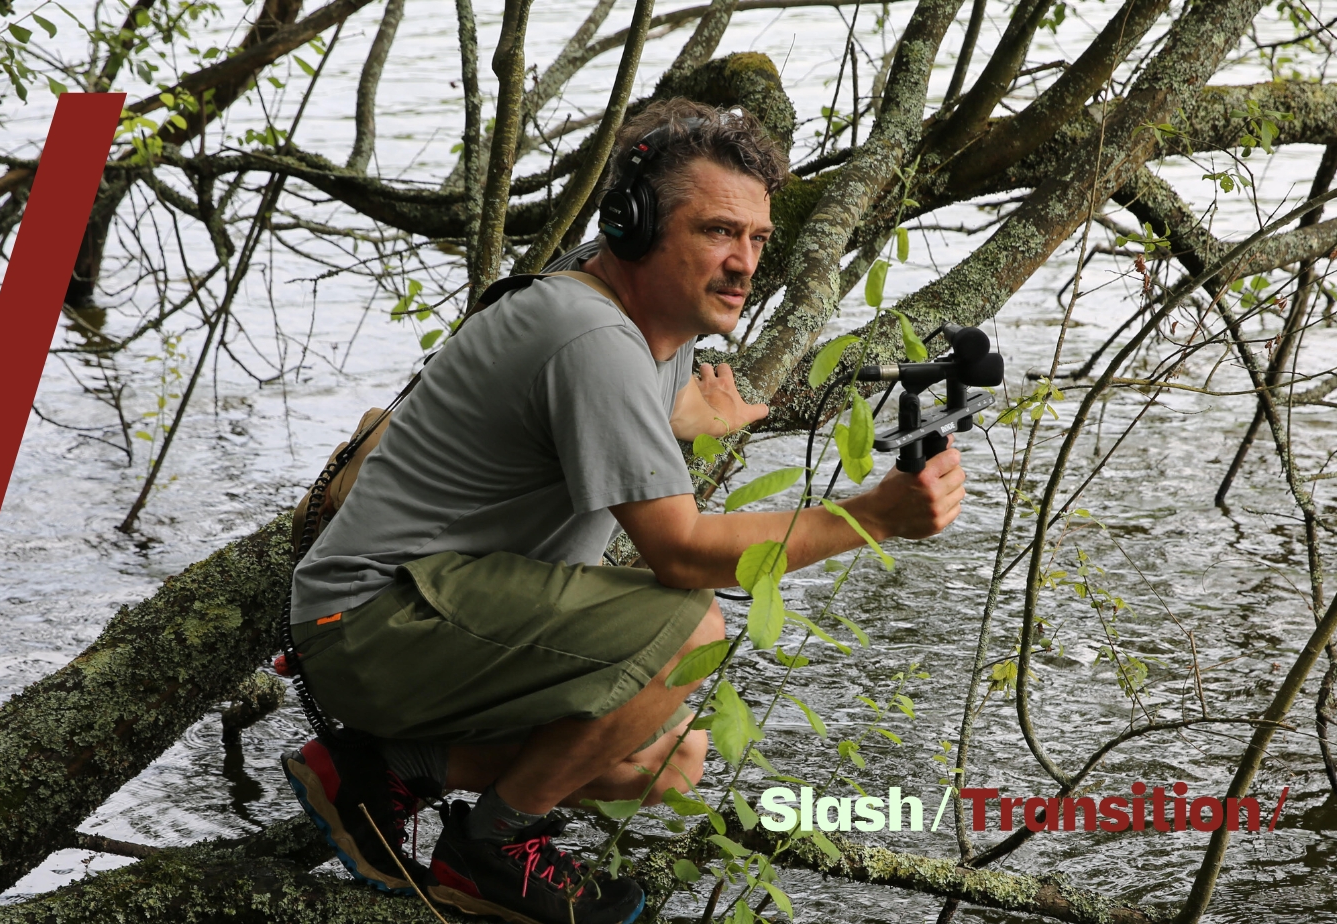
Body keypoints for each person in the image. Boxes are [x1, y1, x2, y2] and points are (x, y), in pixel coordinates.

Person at [280, 99, 965, 924]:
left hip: (436, 619)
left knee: (672, 761)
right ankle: (491, 848)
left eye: (757, 239)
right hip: (370, 622)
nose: (745, 263)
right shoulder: (589, 336)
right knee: (690, 627)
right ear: (632, 225)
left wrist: (681, 423)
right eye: (718, 232)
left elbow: (570, 417)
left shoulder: (646, 336)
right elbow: (678, 553)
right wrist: (873, 518)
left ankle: (386, 767)